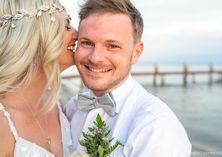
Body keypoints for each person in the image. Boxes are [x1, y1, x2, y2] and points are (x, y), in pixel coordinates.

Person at [66, 0, 191, 156]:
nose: (95, 58)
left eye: (112, 46)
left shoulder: (156, 126)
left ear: (136, 52)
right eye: (87, 43)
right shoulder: (71, 108)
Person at [0, 0, 77, 156]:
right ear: (36, 37)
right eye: (67, 26)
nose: (77, 33)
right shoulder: (2, 123)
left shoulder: (58, 106)